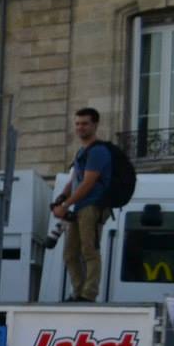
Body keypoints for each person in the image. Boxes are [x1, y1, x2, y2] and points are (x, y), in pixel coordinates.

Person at [54, 107, 112, 302]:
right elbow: (76, 180)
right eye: (77, 123)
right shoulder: (82, 151)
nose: (80, 127)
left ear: (95, 125)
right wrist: (61, 197)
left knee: (90, 251)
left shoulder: (98, 151)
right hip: (80, 207)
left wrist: (66, 204)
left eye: (85, 123)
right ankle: (78, 290)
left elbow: (88, 183)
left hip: (93, 205)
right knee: (70, 254)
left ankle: (89, 293)